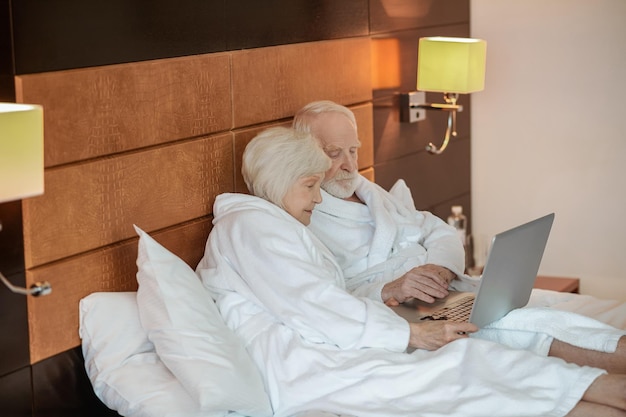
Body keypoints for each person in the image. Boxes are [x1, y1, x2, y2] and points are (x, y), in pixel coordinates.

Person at [196, 126, 626, 417]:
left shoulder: (275, 225)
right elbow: (313, 303)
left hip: (344, 333)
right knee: (460, 363)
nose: (319, 197)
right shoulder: (250, 226)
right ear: (278, 179)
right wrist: (411, 334)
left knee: (474, 352)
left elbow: (321, 299)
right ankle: (595, 390)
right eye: (309, 185)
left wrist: (406, 314)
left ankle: (595, 387)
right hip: (306, 363)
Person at [292, 100, 469, 307]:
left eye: (353, 151)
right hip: (390, 311)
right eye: (334, 154)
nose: (350, 166)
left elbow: (435, 229)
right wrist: (387, 290)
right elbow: (327, 299)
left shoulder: (368, 190)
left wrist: (440, 268)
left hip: (436, 294)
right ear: (304, 155)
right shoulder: (306, 215)